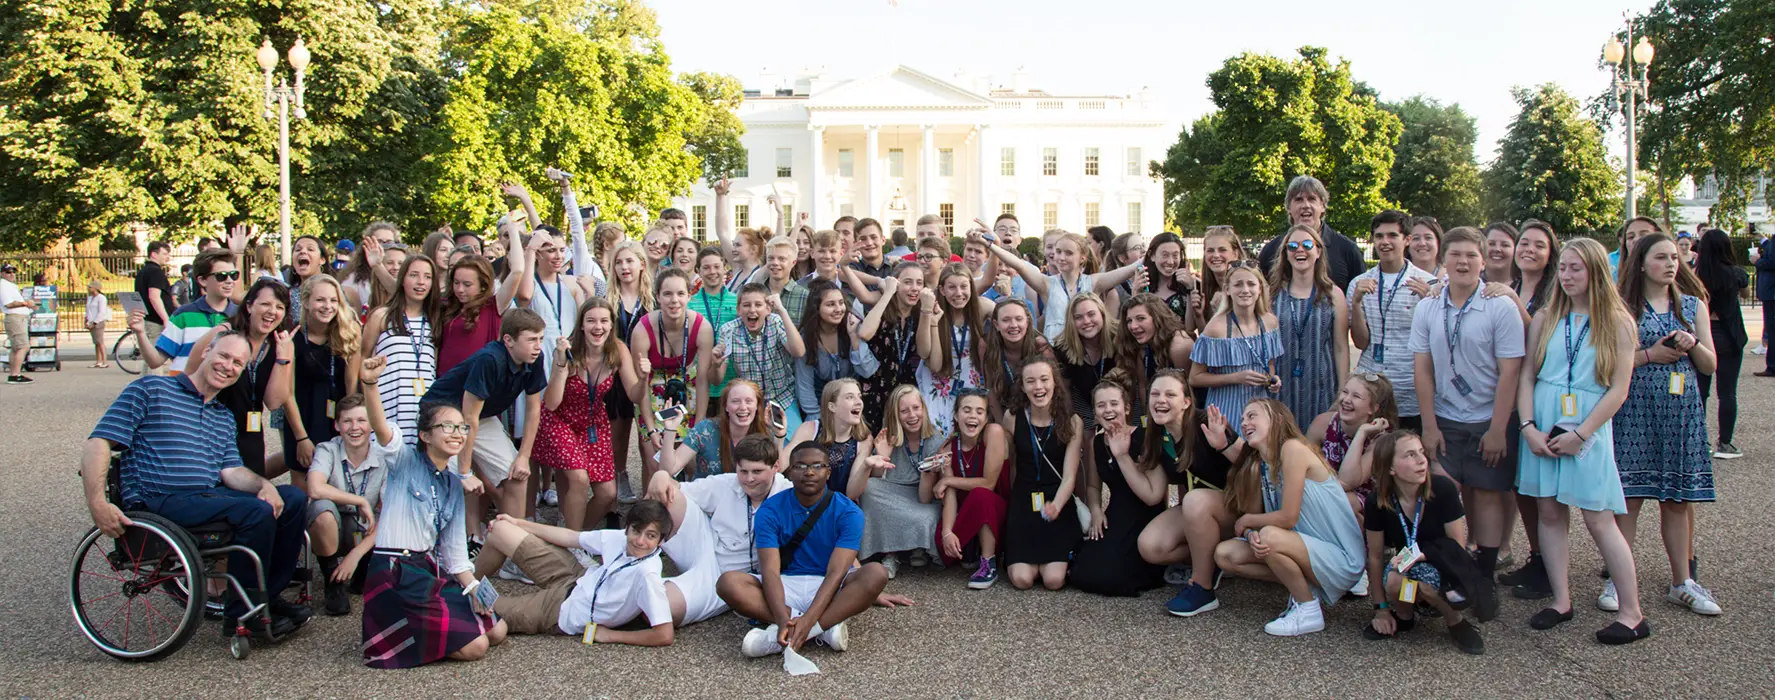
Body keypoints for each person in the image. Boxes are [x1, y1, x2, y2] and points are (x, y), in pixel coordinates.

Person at [83, 330, 312, 639]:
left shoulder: (222, 416)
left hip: (206, 498)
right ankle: (242, 614)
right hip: (159, 500)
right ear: (206, 353)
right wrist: (98, 503)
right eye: (224, 356)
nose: (228, 366)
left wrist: (264, 485)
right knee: (255, 511)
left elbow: (231, 471)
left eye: (237, 364)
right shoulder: (152, 389)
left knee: (293, 499)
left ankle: (267, 598)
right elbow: (99, 443)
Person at [1515, 238, 1648, 644]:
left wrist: (1580, 434)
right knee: (1549, 514)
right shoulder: (1546, 317)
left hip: (1586, 429)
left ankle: (1632, 612)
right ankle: (1561, 600)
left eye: (1577, 268)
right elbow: (1527, 377)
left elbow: (1618, 390)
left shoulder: (1618, 321)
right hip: (1543, 425)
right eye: (1565, 268)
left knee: (1599, 518)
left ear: (1595, 272)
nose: (1568, 276)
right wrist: (1528, 427)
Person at [1611, 232, 1721, 616]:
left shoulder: (1693, 305)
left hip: (1680, 413)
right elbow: (1608, 365)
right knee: (1629, 498)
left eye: (1675, 257)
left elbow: (1711, 366)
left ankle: (1682, 582)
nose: (1671, 264)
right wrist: (1649, 355)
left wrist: (1694, 346)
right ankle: (1617, 578)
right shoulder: (1622, 307)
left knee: (1677, 500)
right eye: (1661, 257)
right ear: (1642, 263)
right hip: (1635, 410)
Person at [1410, 226, 1524, 581]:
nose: (1463, 262)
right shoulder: (1428, 306)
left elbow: (1510, 373)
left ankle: (1484, 575)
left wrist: (1497, 430)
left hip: (1488, 419)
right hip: (1444, 418)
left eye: (1471, 255)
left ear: (1483, 260)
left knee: (1489, 494)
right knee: (1443, 493)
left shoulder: (1500, 307)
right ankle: (1451, 569)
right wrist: (1428, 426)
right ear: (1443, 260)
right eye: (1456, 254)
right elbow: (1423, 370)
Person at [361, 403, 508, 667]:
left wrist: (474, 589)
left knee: (498, 630)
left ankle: (430, 630)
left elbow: (455, 555)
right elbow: (382, 430)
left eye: (462, 427)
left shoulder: (453, 483)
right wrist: (370, 385)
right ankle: (410, 633)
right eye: (447, 427)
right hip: (394, 572)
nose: (457, 434)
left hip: (426, 570)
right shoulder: (404, 461)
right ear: (425, 435)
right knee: (477, 646)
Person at [715, 441, 892, 658]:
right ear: (789, 473)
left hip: (829, 584)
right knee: (728, 583)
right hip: (785, 583)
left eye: (817, 466)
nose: (809, 472)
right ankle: (817, 629)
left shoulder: (849, 512)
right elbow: (770, 571)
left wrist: (809, 621)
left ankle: (799, 632)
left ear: (828, 472)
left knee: (876, 573)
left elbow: (836, 573)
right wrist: (781, 617)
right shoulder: (770, 509)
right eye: (800, 466)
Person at [1213, 398, 1364, 636]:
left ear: (1278, 419)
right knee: (1226, 554)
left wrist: (1247, 522)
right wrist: (1251, 534)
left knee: (1269, 537)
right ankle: (1306, 588)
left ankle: (1308, 609)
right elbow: (1268, 519)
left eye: (1252, 416)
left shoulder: (1292, 448)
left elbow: (1287, 518)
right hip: (1307, 550)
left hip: (1342, 559)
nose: (1244, 422)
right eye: (1242, 418)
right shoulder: (1264, 465)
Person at [422, 309, 549, 564]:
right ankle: (438, 551)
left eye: (541, 339)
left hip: (481, 417)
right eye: (531, 339)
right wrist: (465, 472)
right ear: (509, 341)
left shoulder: (535, 359)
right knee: (447, 482)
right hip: (445, 413)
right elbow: (467, 418)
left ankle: (514, 555)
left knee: (516, 475)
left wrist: (523, 457)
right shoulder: (489, 360)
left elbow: (535, 411)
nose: (537, 346)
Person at [1360, 431, 1489, 654]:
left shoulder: (1443, 489)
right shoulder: (1378, 501)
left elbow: (1456, 549)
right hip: (1408, 565)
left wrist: (1424, 553)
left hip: (1442, 562)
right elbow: (1376, 556)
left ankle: (1455, 621)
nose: (1421, 460)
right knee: (1394, 580)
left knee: (1427, 585)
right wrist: (1380, 609)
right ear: (1390, 468)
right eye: (1410, 455)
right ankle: (1404, 616)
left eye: (1421, 452)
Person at [535, 298, 644, 533]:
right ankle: (573, 545)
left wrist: (644, 378)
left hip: (592, 421)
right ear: (582, 325)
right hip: (560, 420)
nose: (598, 327)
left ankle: (573, 537)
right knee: (579, 478)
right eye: (591, 321)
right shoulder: (568, 350)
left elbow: (635, 395)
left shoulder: (618, 350)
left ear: (611, 325)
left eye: (604, 321)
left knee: (607, 494)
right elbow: (552, 403)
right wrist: (561, 365)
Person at [1137, 373, 1240, 616]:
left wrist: (1224, 446)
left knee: (1195, 500)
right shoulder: (1156, 432)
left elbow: (1253, 464)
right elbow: (1177, 485)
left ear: (1186, 402)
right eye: (1155, 394)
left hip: (1237, 506)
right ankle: (1210, 561)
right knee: (1150, 547)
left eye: (1170, 394)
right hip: (1201, 507)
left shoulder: (1206, 422)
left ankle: (1202, 588)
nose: (1161, 400)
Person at [304, 360, 402, 616]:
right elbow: (314, 487)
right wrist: (359, 501)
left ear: (371, 425)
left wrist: (355, 555)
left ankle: (358, 567)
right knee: (322, 509)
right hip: (336, 526)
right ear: (337, 425)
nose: (354, 427)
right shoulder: (328, 449)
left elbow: (390, 512)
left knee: (389, 514)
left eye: (361, 420)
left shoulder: (383, 457)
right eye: (347, 422)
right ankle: (332, 581)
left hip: (364, 535)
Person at [181, 279, 293, 479]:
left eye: (279, 307)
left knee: (251, 492)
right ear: (249, 306)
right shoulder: (222, 334)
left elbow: (274, 402)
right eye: (265, 304)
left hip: (250, 431)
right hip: (211, 428)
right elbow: (187, 381)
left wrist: (283, 358)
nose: (272, 311)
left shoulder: (280, 345)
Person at [1071, 374, 1168, 597]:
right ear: (1094, 413)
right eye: (1101, 405)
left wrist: (1122, 456)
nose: (1108, 410)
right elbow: (1093, 487)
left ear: (1126, 408)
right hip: (1115, 513)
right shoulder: (1096, 441)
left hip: (1145, 515)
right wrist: (1095, 510)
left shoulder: (1145, 438)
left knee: (1113, 578)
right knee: (1081, 572)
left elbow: (1152, 496)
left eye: (1114, 404)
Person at [1347, 211, 1439, 432]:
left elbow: (1438, 342)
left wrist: (1430, 303)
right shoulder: (1359, 283)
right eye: (1379, 236)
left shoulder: (1428, 283)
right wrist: (1357, 304)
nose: (1385, 242)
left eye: (1392, 235)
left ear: (1407, 239)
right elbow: (1360, 343)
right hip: (1371, 390)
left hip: (1410, 391)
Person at [1001, 358, 1083, 590]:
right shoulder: (1012, 417)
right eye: (1031, 381)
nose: (1038, 387)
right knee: (1022, 580)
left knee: (1054, 581)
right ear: (1023, 387)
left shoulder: (1072, 421)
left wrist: (1056, 505)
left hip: (1056, 501)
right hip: (1024, 502)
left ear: (1055, 383)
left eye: (1044, 379)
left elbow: (1069, 476)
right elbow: (1010, 464)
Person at [278, 275, 363, 490]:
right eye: (320, 300)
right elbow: (286, 394)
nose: (328, 306)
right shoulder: (292, 339)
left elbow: (351, 386)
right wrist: (301, 438)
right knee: (302, 484)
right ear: (306, 302)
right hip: (302, 419)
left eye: (333, 301)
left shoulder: (348, 334)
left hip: (335, 420)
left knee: (336, 483)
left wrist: (349, 427)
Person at [984, 231, 1138, 342]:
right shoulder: (1046, 284)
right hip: (1055, 352)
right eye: (1058, 252)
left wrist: (1152, 253)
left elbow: (1129, 269)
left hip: (1085, 351)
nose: (1061, 257)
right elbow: (1019, 264)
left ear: (1082, 257)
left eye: (1069, 253)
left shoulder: (1093, 282)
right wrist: (991, 246)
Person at [1269, 224, 1349, 429]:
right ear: (1286, 254)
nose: (1299, 250)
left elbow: (1341, 347)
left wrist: (1342, 390)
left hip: (1321, 385)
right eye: (1292, 246)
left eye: (1306, 244)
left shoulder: (1333, 295)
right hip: (1282, 384)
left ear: (1318, 251)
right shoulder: (1272, 295)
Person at [859, 385, 944, 577]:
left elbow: (926, 499)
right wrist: (882, 458)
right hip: (893, 494)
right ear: (896, 415)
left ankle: (916, 547)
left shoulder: (935, 441)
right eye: (904, 411)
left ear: (923, 408)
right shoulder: (890, 438)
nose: (912, 415)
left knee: (927, 517)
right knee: (868, 488)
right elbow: (877, 481)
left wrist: (927, 474)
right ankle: (892, 553)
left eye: (916, 408)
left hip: (922, 499)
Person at [1190, 262, 1282, 437]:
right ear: (1227, 289)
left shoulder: (1270, 323)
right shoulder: (1216, 328)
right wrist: (1236, 377)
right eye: (1238, 284)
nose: (1245, 290)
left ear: (1260, 288)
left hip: (1260, 410)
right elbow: (1195, 378)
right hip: (1226, 412)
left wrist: (1273, 380)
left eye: (1251, 284)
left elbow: (1270, 366)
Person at [937, 388, 1010, 589]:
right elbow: (950, 493)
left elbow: (989, 483)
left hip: (998, 513)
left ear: (986, 418)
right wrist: (947, 532)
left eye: (979, 411)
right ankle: (969, 549)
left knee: (981, 495)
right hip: (967, 512)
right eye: (966, 410)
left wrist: (949, 480)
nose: (972, 416)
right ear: (955, 415)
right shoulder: (947, 448)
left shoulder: (993, 432)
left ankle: (989, 564)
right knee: (942, 542)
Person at [362, 256, 439, 443]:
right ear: (402, 279)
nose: (421, 282)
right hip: (388, 404)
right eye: (414, 275)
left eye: (427, 277)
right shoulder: (382, 316)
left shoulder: (435, 319)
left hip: (423, 409)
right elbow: (362, 357)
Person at [715, 281, 807, 434]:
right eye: (746, 305)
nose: (752, 310)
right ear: (738, 309)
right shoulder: (729, 330)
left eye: (758, 304)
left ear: (768, 309)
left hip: (780, 396)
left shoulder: (775, 322)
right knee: (753, 447)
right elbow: (716, 379)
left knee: (792, 440)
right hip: (749, 402)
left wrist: (782, 311)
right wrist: (716, 364)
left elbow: (799, 352)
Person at [1305, 373, 1399, 518]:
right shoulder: (1323, 423)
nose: (1346, 400)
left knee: (1342, 503)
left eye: (1356, 396)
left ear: (1373, 408)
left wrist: (1361, 434)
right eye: (1345, 392)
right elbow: (1302, 465)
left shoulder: (1381, 439)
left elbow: (1347, 482)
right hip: (1323, 489)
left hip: (1363, 498)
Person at [133, 249, 240, 374]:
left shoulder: (241, 316)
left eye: (234, 275)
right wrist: (140, 332)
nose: (229, 281)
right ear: (202, 280)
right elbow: (155, 361)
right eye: (221, 276)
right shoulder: (183, 315)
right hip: (184, 390)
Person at [918, 263, 993, 434]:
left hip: (970, 380)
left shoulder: (982, 307)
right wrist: (929, 316)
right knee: (939, 435)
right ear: (942, 290)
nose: (958, 293)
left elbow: (1010, 318)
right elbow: (925, 355)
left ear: (971, 287)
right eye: (951, 287)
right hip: (939, 381)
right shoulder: (933, 309)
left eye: (963, 286)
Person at [1256, 176, 1367, 290]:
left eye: (1312, 199)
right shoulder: (1271, 251)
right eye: (1298, 199)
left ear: (1323, 206)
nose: (1305, 205)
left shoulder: (1347, 250)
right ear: (1288, 207)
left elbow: (1360, 298)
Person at [660, 379, 782, 479]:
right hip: (707, 500)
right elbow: (669, 469)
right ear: (726, 407)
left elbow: (775, 473)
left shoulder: (765, 431)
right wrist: (670, 430)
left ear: (757, 406)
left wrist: (779, 436)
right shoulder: (705, 429)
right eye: (735, 401)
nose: (743, 407)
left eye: (749, 401)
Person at [1694, 229, 1748, 458]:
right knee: (1727, 393)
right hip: (1728, 334)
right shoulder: (1736, 273)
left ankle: (1699, 441)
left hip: (1704, 333)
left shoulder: (1695, 274)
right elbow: (1745, 294)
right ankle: (1725, 443)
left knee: (1700, 392)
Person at [609, 239, 655, 502]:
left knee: (646, 433)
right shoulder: (608, 298)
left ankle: (647, 487)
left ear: (641, 264)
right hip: (615, 374)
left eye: (629, 261)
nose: (624, 267)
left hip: (646, 371)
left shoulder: (652, 299)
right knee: (619, 431)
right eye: (619, 262)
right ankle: (620, 475)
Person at [795, 281, 878, 423]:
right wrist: (818, 420)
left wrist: (854, 337)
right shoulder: (806, 338)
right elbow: (805, 387)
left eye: (841, 303)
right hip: (821, 407)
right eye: (830, 304)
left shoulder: (853, 326)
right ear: (816, 308)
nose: (838, 309)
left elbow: (867, 370)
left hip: (855, 405)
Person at [785, 378, 882, 501]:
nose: (859, 402)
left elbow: (852, 493)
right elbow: (779, 466)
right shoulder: (810, 429)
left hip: (837, 507)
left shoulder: (863, 439)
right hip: (805, 502)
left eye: (859, 397)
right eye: (850, 397)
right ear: (832, 406)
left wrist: (866, 466)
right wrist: (780, 437)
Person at [857, 262, 927, 426]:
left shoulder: (921, 312)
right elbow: (865, 334)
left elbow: (925, 352)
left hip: (907, 394)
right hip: (875, 391)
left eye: (919, 282)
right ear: (896, 283)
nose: (915, 288)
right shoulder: (883, 308)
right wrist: (888, 293)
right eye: (908, 282)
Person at [435, 252, 522, 376]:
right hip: (444, 385)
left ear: (483, 285)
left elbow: (517, 271)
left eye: (467, 284)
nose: (460, 289)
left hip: (476, 385)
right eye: (456, 282)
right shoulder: (447, 306)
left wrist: (512, 232)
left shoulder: (493, 306)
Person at [1051, 292, 1118, 430]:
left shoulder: (1118, 337)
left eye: (1091, 314)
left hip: (1122, 403)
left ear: (1102, 314)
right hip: (1085, 406)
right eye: (1078, 317)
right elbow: (1066, 392)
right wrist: (1074, 422)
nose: (1086, 321)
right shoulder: (1063, 348)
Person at [978, 299, 1054, 419]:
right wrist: (1002, 426)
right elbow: (990, 389)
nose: (1013, 325)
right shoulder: (987, 345)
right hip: (1003, 409)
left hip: (1037, 412)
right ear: (996, 324)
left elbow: (1056, 388)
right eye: (1006, 320)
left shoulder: (1039, 345)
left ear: (1027, 322)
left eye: (1019, 319)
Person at [690, 247, 738, 419]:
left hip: (732, 383)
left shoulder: (738, 301)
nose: (712, 272)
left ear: (725, 267)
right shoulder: (690, 305)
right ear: (698, 271)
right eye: (706, 267)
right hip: (701, 384)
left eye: (717, 266)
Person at [1192, 226, 1248, 335]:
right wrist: (1198, 316)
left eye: (1222, 250)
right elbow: (1207, 339)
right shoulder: (1205, 289)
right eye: (1210, 251)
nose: (1216, 255)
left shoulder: (1247, 287)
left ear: (1235, 253)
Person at [1139, 231, 1198, 324]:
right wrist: (1135, 293)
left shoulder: (1190, 285)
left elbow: (1190, 327)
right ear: (1152, 256)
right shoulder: (1143, 286)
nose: (1170, 261)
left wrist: (1189, 290)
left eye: (1175, 255)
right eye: (1165, 255)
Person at [135, 242, 176, 370]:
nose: (167, 257)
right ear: (153, 254)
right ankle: (154, 388)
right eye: (164, 253)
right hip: (156, 321)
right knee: (155, 359)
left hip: (148, 318)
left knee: (149, 359)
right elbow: (154, 296)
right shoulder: (155, 272)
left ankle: (145, 387)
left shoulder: (143, 272)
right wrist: (165, 318)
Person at [82, 279, 112, 369]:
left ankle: (104, 361)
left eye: (90, 287)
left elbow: (101, 312)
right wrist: (86, 320)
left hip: (98, 322)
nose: (88, 288)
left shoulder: (101, 298)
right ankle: (98, 361)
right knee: (96, 342)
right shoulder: (90, 298)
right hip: (91, 321)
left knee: (100, 341)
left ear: (96, 288)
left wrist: (95, 322)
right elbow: (88, 310)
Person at [1406, 216, 1444, 281]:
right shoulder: (1397, 276)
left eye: (1428, 238)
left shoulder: (1452, 277)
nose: (1422, 243)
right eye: (1416, 238)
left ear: (1438, 242)